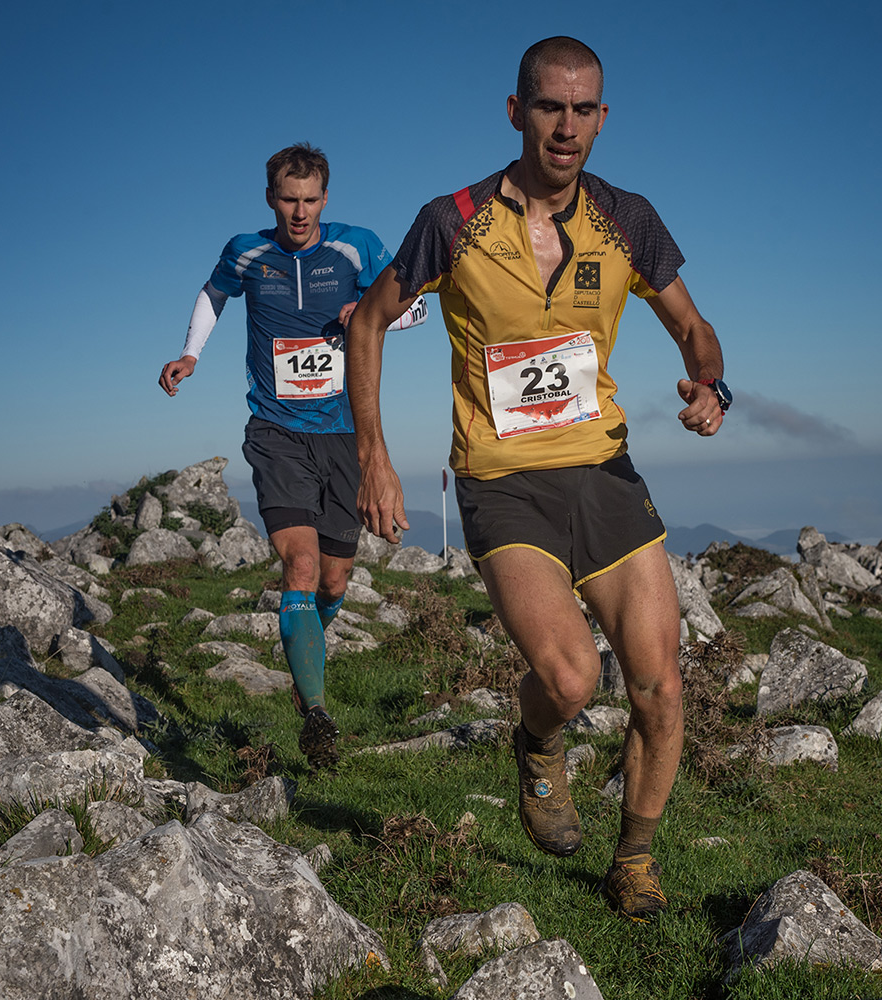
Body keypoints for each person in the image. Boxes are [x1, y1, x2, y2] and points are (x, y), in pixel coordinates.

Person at [346, 37, 731, 921]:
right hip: (502, 478)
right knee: (568, 679)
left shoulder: (628, 218)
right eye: (550, 107)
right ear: (517, 112)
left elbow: (694, 328)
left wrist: (711, 385)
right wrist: (374, 454)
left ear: (603, 117)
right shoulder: (453, 219)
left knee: (660, 684)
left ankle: (634, 858)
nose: (567, 126)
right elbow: (369, 324)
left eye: (584, 108)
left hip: (602, 469)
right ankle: (537, 743)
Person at [158, 143, 426, 770]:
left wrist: (370, 310)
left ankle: (306, 641)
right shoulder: (247, 251)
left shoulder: (357, 246)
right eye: (288, 199)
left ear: (325, 199)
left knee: (334, 579)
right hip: (275, 430)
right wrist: (191, 353)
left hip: (343, 433)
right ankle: (316, 712)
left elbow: (414, 305)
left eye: (310, 200)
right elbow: (212, 293)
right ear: (270, 198)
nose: (299, 212)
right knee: (300, 566)